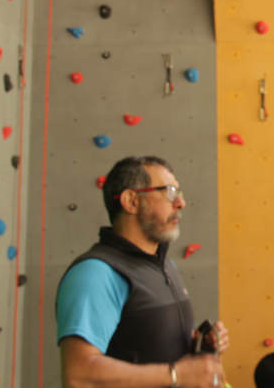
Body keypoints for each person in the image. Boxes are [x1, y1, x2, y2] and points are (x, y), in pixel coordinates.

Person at [56, 156, 229, 388]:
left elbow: (148, 347)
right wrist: (176, 375)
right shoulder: (95, 273)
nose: (181, 202)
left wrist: (200, 347)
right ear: (131, 201)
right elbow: (78, 376)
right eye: (169, 192)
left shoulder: (165, 265)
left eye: (179, 192)